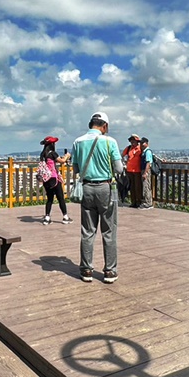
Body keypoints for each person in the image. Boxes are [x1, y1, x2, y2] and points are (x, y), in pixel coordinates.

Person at [71, 111, 123, 283]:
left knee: (87, 231)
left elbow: (76, 169)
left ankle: (86, 269)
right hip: (105, 188)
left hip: (86, 187)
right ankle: (110, 271)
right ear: (105, 126)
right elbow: (119, 169)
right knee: (109, 230)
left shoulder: (78, 142)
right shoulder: (110, 142)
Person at [39, 136, 72, 225]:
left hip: (46, 179)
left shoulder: (43, 154)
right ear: (52, 144)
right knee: (60, 198)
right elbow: (61, 161)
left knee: (49, 199)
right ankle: (65, 217)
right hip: (54, 179)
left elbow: (51, 162)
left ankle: (47, 217)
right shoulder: (53, 153)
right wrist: (67, 156)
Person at [122, 134, 143, 207]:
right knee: (131, 187)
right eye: (131, 141)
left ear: (137, 141)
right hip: (129, 170)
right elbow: (122, 155)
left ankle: (139, 201)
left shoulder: (140, 148)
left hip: (137, 170)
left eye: (134, 141)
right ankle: (133, 201)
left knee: (138, 187)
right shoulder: (128, 148)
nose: (132, 142)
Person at [139, 137, 154, 210]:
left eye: (143, 143)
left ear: (147, 143)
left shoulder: (147, 152)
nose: (141, 144)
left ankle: (148, 203)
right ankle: (147, 202)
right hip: (144, 170)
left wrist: (145, 172)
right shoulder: (144, 151)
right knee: (145, 186)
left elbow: (148, 163)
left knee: (146, 186)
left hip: (146, 171)